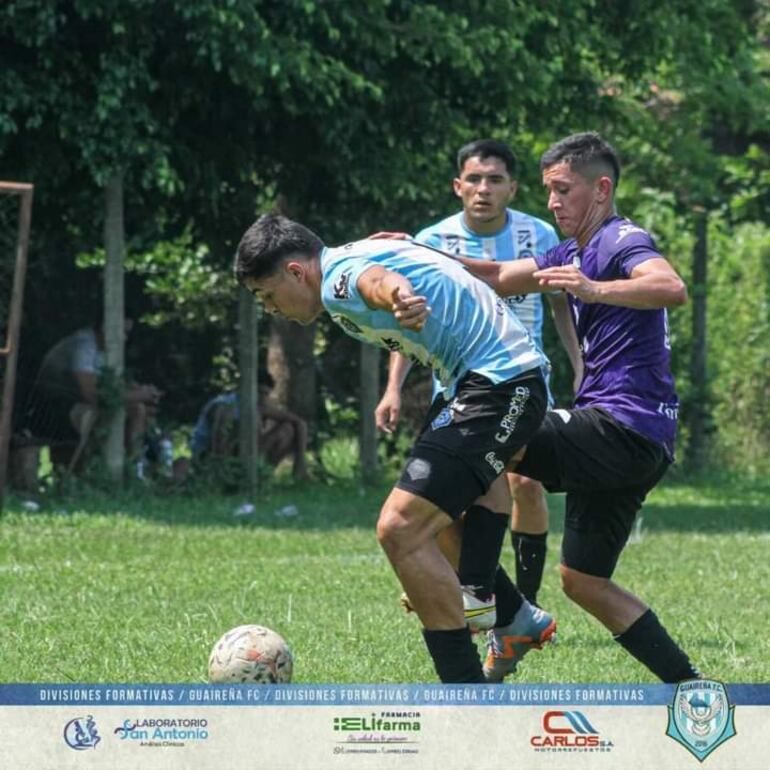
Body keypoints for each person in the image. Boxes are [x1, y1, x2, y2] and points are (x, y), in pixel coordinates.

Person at [234, 213, 556, 684]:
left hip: (500, 383)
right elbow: (379, 264)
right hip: (476, 383)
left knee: (400, 529)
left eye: (267, 295)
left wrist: (400, 295)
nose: (270, 308)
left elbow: (377, 282)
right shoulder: (348, 254)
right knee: (435, 517)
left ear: (296, 272)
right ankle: (513, 618)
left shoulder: (338, 279)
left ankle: (470, 684)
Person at [454, 131, 699, 682]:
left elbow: (670, 285)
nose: (552, 202)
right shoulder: (569, 251)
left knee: (482, 438)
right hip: (640, 441)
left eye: (563, 190)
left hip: (622, 426)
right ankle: (693, 692)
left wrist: (594, 289)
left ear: (602, 189)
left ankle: (492, 603)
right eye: (548, 191)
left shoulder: (620, 239)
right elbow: (496, 276)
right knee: (583, 580)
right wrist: (414, 254)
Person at [375, 138, 582, 609]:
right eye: (473, 179)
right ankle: (475, 590)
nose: (483, 189)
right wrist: (393, 387)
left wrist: (581, 366)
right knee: (459, 498)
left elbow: (561, 309)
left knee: (525, 483)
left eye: (494, 180)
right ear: (457, 186)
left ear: (513, 188)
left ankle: (520, 603)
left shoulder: (540, 237)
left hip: (523, 384)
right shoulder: (432, 242)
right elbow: (411, 321)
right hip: (458, 387)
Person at [26, 317, 162, 468]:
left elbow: (113, 384)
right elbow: (91, 394)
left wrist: (140, 391)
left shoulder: (105, 349)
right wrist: (137, 395)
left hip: (76, 404)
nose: (124, 338)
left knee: (139, 410)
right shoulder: (84, 345)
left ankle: (136, 467)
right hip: (50, 409)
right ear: (105, 328)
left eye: (127, 333)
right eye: (122, 332)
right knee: (101, 414)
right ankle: (101, 468)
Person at [190, 374, 309, 480]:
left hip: (244, 453)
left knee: (288, 429)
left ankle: (261, 475)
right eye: (259, 393)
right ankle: (222, 477)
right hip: (210, 455)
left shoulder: (260, 407)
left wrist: (300, 463)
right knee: (231, 421)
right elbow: (219, 436)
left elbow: (300, 423)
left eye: (265, 394)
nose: (262, 398)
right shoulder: (223, 405)